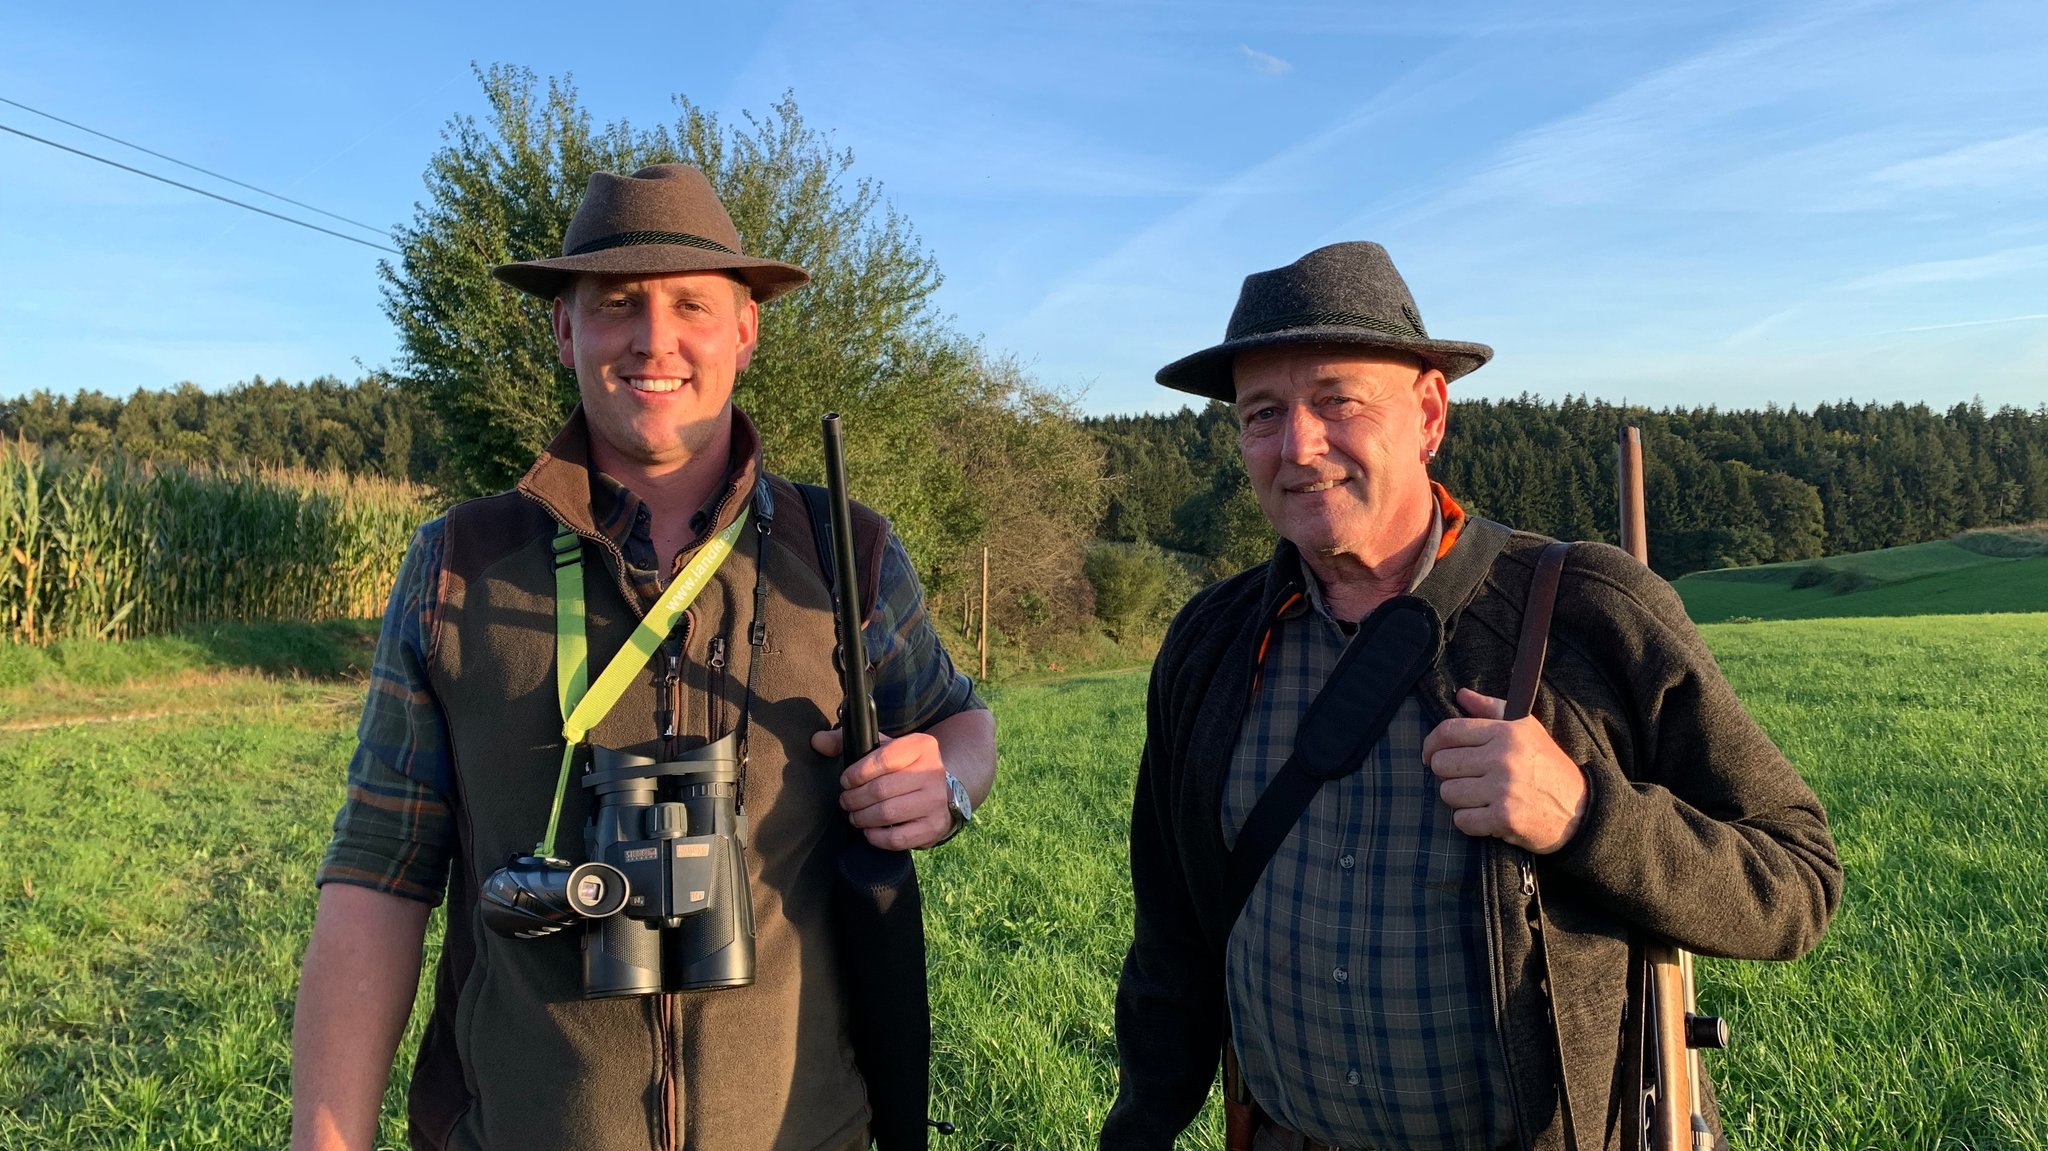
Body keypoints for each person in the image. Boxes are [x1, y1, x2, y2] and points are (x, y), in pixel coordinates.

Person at [290, 164, 995, 1151]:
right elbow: (379, 871)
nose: (653, 339)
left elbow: (961, 719)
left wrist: (950, 779)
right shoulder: (457, 565)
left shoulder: (846, 551)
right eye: (616, 304)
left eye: (691, 306)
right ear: (564, 330)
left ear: (745, 329)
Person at [1099, 242, 1840, 1151]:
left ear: (1428, 413)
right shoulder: (1209, 648)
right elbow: (1173, 939)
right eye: (1263, 413)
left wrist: (1584, 815)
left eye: (1337, 400)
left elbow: (1796, 880)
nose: (1297, 445)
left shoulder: (1590, 613)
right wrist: (1139, 1130)